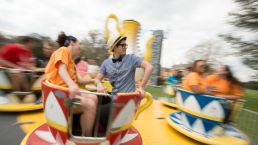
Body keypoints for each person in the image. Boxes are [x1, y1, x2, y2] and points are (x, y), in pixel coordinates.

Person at [94, 33, 154, 128]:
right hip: (113, 97)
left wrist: (141, 87)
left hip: (126, 101)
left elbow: (149, 67)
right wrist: (99, 84)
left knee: (97, 111)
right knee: (91, 99)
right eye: (123, 45)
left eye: (126, 45)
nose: (126, 47)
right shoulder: (106, 63)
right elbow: (97, 79)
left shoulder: (131, 58)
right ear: (115, 47)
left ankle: (106, 131)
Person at [45, 32, 97, 137]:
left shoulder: (72, 63)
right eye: (79, 44)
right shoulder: (63, 50)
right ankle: (87, 137)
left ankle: (81, 126)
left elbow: (77, 80)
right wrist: (72, 86)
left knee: (94, 97)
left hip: (68, 92)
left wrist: (93, 80)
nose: (80, 47)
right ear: (72, 43)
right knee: (90, 105)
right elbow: (61, 70)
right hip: (60, 94)